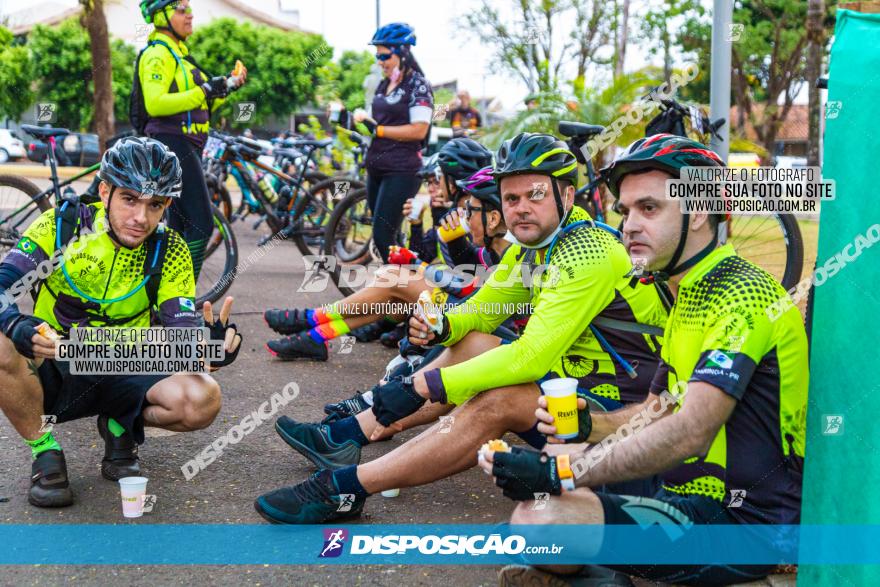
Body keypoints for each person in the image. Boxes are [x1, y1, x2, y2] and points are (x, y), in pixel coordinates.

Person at [253, 133, 668, 524]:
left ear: (565, 194)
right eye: (511, 197)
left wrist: (420, 386)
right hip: (575, 396)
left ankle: (343, 488)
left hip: (625, 418)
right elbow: (482, 313)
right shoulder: (535, 245)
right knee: (477, 341)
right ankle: (348, 436)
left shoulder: (587, 252)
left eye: (535, 194)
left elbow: (529, 356)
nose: (521, 207)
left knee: (501, 396)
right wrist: (442, 326)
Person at [479, 134, 809, 586]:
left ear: (700, 214)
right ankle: (594, 561)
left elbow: (691, 430)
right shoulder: (687, 289)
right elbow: (659, 409)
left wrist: (559, 474)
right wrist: (588, 426)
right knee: (550, 475)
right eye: (626, 211)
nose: (629, 225)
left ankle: (597, 572)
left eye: (649, 209)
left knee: (543, 521)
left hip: (744, 523)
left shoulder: (743, 295)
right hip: (681, 488)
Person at [0, 137, 242, 508]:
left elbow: (180, 326)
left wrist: (208, 345)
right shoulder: (61, 226)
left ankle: (120, 424)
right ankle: (45, 450)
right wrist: (16, 325)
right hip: (57, 360)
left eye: (155, 205)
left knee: (203, 397)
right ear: (104, 190)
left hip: (124, 362)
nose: (140, 218)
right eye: (129, 199)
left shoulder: (170, 247)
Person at [262, 137, 493, 360]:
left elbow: (471, 282)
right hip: (461, 299)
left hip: (472, 309)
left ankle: (311, 319)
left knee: (393, 278)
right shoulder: (456, 213)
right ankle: (316, 337)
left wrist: (415, 264)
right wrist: (415, 228)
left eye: (437, 178)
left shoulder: (474, 219)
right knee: (393, 296)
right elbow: (430, 256)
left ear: (451, 179)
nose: (433, 186)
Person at [137, 0, 248, 279]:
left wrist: (226, 88)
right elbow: (156, 104)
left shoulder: (181, 58)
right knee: (201, 223)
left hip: (186, 146)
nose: (190, 15)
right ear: (161, 16)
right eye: (181, 9)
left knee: (179, 227)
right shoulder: (157, 54)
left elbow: (196, 108)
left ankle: (165, 300)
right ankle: (181, 298)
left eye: (189, 8)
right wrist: (204, 90)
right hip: (172, 144)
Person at [352, 22, 433, 263]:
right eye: (377, 55)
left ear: (403, 53)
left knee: (382, 237)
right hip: (376, 168)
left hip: (401, 170)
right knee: (389, 238)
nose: (380, 61)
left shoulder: (418, 85)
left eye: (385, 55)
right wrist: (351, 120)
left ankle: (409, 289)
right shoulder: (383, 84)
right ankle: (399, 289)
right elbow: (375, 123)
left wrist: (380, 130)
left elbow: (419, 130)